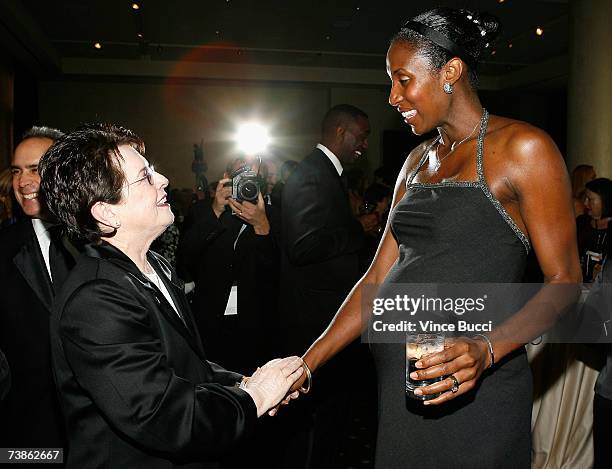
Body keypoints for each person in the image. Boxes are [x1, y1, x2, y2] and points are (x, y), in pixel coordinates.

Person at [287, 8, 581, 468]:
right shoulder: (415, 161)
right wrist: (308, 362)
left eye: (403, 80)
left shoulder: (523, 149)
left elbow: (564, 283)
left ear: (451, 72)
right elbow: (377, 278)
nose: (392, 96)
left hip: (473, 390)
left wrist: (486, 351)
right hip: (402, 393)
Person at [39, 124, 303, 469]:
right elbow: (163, 417)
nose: (163, 179)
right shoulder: (95, 301)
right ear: (107, 212)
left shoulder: (155, 264)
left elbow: (183, 365)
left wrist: (243, 383)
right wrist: (254, 397)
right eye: (146, 177)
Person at [0, 126, 72, 452]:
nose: (23, 181)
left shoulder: (103, 242)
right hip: (26, 434)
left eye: (35, 169)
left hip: (102, 437)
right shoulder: (3, 251)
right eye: (17, 171)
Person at [577, 177, 612, 282]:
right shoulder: (581, 223)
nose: (585, 203)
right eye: (585, 198)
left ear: (605, 201)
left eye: (590, 199)